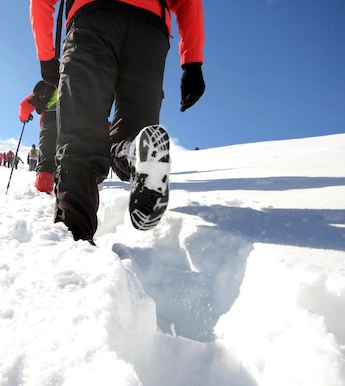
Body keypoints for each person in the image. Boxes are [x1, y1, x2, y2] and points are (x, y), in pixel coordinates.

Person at [29, 0, 206, 242]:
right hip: (150, 29)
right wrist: (192, 63)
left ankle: (75, 243)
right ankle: (130, 149)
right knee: (135, 130)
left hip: (93, 22)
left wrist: (46, 58)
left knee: (80, 140)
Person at [19, 80, 58, 194]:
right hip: (74, 122)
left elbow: (25, 105)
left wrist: (24, 117)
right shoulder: (79, 79)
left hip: (50, 122)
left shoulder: (50, 84)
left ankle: (44, 187)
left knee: (47, 158)